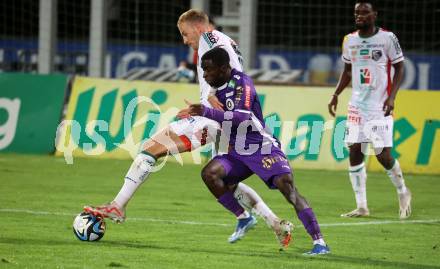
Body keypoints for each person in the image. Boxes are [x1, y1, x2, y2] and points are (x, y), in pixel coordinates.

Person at [84, 9, 290, 246]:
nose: (184, 40)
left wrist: (214, 103)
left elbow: (233, 77)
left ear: (199, 28)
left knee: (151, 148)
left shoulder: (209, 39)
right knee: (226, 182)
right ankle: (274, 222)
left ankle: (118, 206)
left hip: (213, 119)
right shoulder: (223, 43)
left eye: (185, 34)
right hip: (222, 121)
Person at [179, 47, 330, 255]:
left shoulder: (242, 82)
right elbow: (219, 115)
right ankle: (244, 217)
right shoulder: (214, 88)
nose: (204, 75)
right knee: (210, 174)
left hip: (261, 146)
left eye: (208, 70)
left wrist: (206, 111)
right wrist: (195, 114)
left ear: (223, 68)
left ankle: (319, 242)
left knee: (288, 189)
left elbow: (242, 117)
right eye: (203, 70)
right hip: (238, 151)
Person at [328, 0, 411, 219]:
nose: (359, 16)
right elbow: (347, 70)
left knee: (383, 156)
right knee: (355, 152)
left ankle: (403, 191)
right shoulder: (349, 40)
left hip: (379, 106)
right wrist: (335, 94)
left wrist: (392, 97)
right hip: (356, 105)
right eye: (357, 13)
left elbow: (400, 67)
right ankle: (362, 206)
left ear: (375, 14)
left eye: (364, 13)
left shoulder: (387, 38)